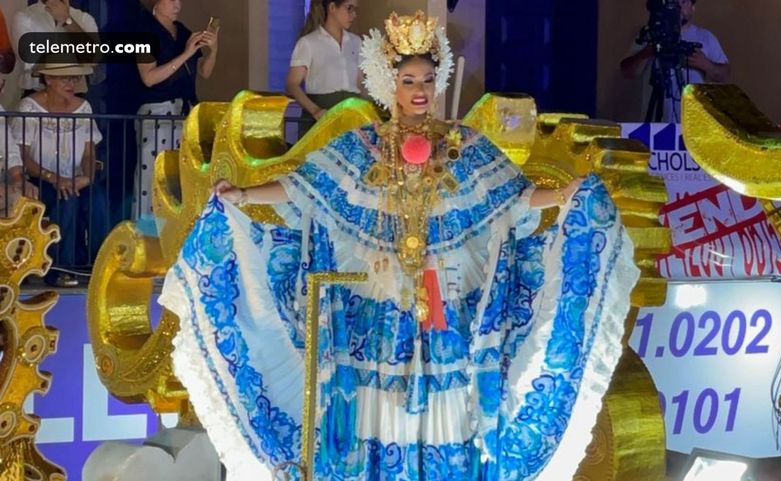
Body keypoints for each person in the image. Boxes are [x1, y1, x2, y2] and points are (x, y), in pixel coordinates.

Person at [159, 11, 639, 480]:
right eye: (409, 81)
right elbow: (305, 188)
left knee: (446, 402)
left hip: (444, 305)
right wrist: (242, 195)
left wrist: (563, 196)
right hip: (379, 308)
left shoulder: (463, 144)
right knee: (374, 403)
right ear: (390, 83)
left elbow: (511, 198)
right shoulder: (362, 145)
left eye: (427, 81)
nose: (419, 92)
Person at [15, 63, 106, 287]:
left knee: (98, 200)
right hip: (39, 178)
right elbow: (23, 156)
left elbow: (89, 152)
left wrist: (87, 177)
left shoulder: (83, 107)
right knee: (65, 198)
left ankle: (100, 264)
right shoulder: (29, 106)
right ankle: (59, 267)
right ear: (48, 79)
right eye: (65, 78)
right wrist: (53, 178)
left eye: (74, 79)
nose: (71, 83)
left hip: (75, 178)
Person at [134, 0, 218, 220]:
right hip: (158, 112)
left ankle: (178, 237)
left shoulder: (182, 31)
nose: (177, 5)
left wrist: (213, 50)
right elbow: (149, 78)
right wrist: (186, 53)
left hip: (185, 112)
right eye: (171, 0)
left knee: (182, 178)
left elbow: (205, 72)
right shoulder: (144, 31)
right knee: (153, 176)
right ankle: (148, 238)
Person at [619, 0, 729, 123]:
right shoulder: (652, 35)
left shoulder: (705, 37)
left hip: (693, 125)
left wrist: (705, 64)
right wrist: (647, 52)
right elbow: (627, 72)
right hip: (656, 124)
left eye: (683, 1)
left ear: (693, 7)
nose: (678, 5)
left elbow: (723, 75)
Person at [286, 0, 361, 138]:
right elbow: (292, 84)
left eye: (355, 9)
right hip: (322, 114)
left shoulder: (356, 42)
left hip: (352, 116)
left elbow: (361, 83)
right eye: (349, 8)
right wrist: (315, 110)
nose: (354, 15)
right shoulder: (308, 43)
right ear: (332, 7)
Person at [12, 0, 98, 96]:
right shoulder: (24, 17)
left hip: (76, 96)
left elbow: (93, 59)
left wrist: (67, 20)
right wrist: (76, 59)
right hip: (37, 95)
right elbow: (31, 61)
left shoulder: (84, 18)